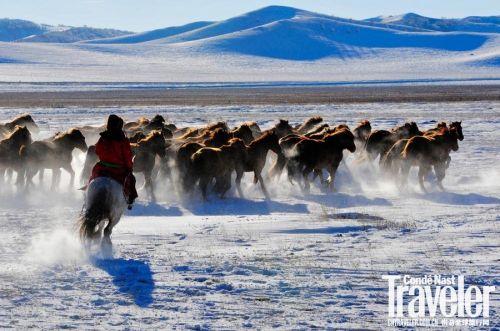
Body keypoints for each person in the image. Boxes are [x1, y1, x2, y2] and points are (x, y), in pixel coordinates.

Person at [89, 114, 138, 209]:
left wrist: (105, 158)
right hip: (118, 170)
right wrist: (129, 166)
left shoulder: (103, 137)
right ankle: (129, 201)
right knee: (131, 180)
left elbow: (97, 151)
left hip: (102, 167)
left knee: (92, 177)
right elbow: (127, 156)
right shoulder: (122, 140)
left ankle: (87, 191)